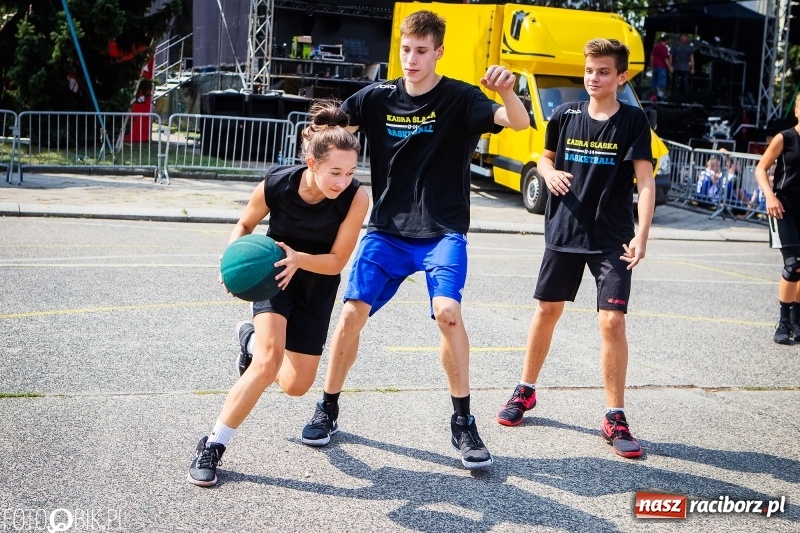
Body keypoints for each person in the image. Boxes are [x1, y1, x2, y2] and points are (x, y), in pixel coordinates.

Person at [298, 10, 529, 470]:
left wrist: (506, 89)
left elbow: (517, 122)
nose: (411, 59)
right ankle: (327, 407)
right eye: (406, 49)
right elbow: (331, 136)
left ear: (438, 51)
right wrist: (310, 175)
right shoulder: (376, 97)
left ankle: (463, 422)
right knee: (350, 315)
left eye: (421, 51)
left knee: (447, 313)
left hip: (441, 231)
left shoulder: (461, 99)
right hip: (386, 229)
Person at [187, 100, 370, 487]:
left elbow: (337, 260)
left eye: (350, 171)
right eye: (335, 172)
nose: (342, 181)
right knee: (268, 364)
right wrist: (230, 263)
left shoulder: (356, 198)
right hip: (274, 278)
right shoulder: (277, 184)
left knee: (295, 386)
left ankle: (249, 342)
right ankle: (213, 445)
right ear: (312, 162)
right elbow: (245, 224)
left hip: (317, 282)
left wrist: (300, 258)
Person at [495, 38, 655, 459]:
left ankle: (614, 415)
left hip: (611, 238)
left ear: (621, 77)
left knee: (611, 322)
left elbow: (645, 182)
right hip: (564, 232)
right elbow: (545, 158)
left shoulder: (634, 121)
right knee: (547, 310)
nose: (593, 78)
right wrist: (547, 174)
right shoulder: (565, 115)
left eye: (603, 71)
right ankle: (525, 391)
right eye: (589, 70)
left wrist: (642, 234)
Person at [754, 93, 800, 345]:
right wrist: (770, 196)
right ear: (796, 111)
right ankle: (783, 321)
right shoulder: (785, 138)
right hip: (784, 208)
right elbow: (761, 168)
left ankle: (797, 319)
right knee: (793, 265)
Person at [650, 34, 672, 98]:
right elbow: (666, 59)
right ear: (667, 40)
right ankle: (660, 96)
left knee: (654, 82)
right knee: (661, 82)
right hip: (662, 67)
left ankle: (653, 96)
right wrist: (670, 67)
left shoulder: (656, 47)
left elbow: (652, 57)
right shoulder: (664, 47)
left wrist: (652, 66)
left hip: (655, 67)